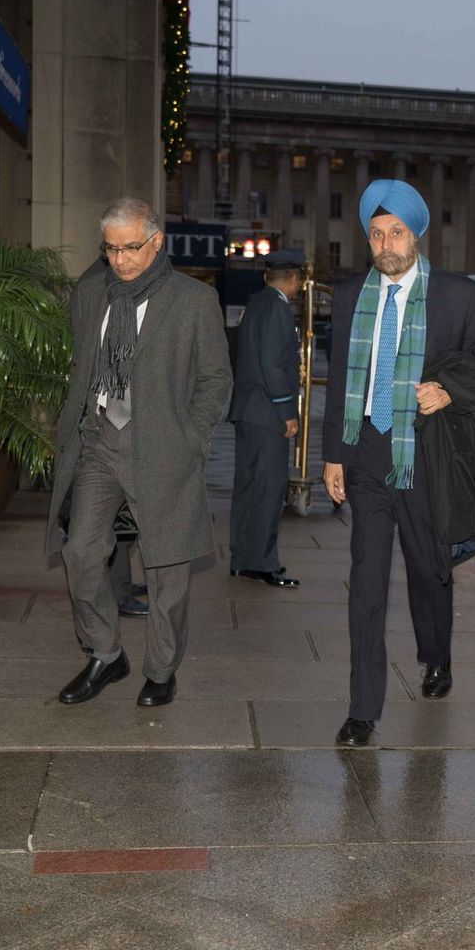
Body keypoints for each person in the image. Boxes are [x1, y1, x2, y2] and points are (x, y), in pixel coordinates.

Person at [323, 179, 475, 747]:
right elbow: (341, 377)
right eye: (376, 233)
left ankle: (436, 654)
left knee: (429, 570)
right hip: (368, 452)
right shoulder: (350, 296)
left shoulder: (458, 296)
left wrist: (447, 387)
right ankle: (362, 708)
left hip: (427, 457)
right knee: (366, 582)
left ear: (417, 233)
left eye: (396, 232)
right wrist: (333, 455)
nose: (386, 243)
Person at [46, 198, 232, 707]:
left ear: (156, 242)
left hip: (163, 446)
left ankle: (161, 668)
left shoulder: (192, 300)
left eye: (131, 247)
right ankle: (106, 654)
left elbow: (216, 379)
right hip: (100, 441)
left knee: (165, 565)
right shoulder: (91, 294)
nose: (121, 260)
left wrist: (189, 438)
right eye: (111, 249)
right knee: (81, 550)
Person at [228, 249, 303, 588]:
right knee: (268, 490)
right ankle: (261, 562)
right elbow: (273, 364)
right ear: (294, 280)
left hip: (249, 411)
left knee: (247, 487)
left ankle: (242, 557)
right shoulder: (277, 309)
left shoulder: (257, 303)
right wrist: (287, 411)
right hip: (267, 413)